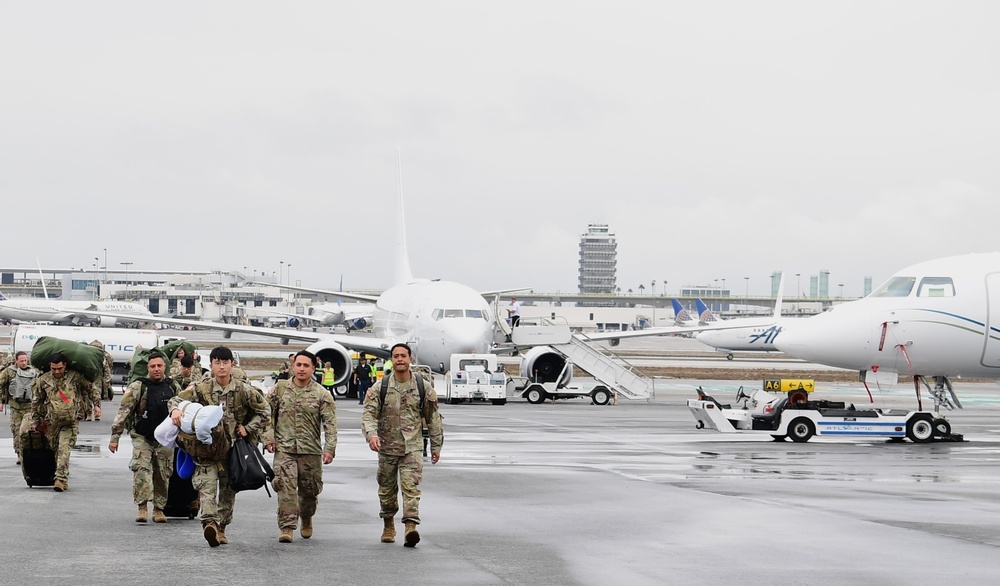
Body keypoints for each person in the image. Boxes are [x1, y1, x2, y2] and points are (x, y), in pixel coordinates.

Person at [167, 346, 269, 547]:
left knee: (228, 491)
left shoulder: (244, 390)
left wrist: (248, 428)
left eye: (225, 362)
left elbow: (265, 410)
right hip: (206, 449)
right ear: (211, 365)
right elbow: (176, 399)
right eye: (217, 363)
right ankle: (209, 522)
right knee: (206, 486)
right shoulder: (201, 387)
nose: (221, 367)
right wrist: (175, 411)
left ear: (232, 364)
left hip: (232, 451)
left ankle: (221, 527)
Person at [361, 342, 443, 547]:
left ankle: (410, 528)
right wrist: (371, 435)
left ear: (410, 359)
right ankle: (388, 525)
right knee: (386, 490)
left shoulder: (423, 386)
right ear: (391, 359)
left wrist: (435, 446)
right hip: (387, 447)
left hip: (412, 448)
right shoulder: (381, 387)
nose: (399, 359)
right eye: (395, 356)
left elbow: (433, 418)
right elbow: (368, 415)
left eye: (403, 356)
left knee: (411, 488)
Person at [263, 350, 337, 543]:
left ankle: (306, 517)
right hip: (285, 448)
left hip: (310, 451)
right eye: (298, 365)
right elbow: (266, 415)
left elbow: (330, 424)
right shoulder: (280, 390)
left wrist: (330, 448)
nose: (302, 369)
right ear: (293, 366)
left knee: (309, 492)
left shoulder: (323, 394)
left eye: (306, 365)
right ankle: (287, 527)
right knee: (285, 488)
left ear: (313, 368)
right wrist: (269, 438)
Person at [109, 351, 180, 523]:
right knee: (141, 469)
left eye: (159, 366)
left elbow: (182, 410)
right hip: (142, 435)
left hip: (165, 438)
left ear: (165, 367)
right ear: (147, 368)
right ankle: (142, 507)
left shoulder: (173, 386)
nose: (156, 369)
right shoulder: (138, 386)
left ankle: (159, 509)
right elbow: (124, 410)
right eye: (153, 366)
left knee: (162, 473)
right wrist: (115, 436)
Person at [29, 352, 101, 492]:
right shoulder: (44, 380)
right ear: (50, 366)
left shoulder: (74, 377)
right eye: (54, 369)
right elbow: (37, 401)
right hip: (52, 422)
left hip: (71, 421)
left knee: (64, 448)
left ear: (65, 366)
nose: (57, 371)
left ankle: (60, 479)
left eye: (60, 369)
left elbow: (91, 388)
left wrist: (97, 405)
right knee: (56, 449)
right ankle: (63, 476)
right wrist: (36, 421)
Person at [0, 351, 38, 465]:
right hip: (16, 407)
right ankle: (19, 455)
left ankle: (30, 454)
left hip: (30, 407)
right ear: (16, 361)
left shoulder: (33, 371)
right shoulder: (9, 372)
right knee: (17, 431)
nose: (24, 363)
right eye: (21, 361)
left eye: (25, 360)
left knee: (31, 432)